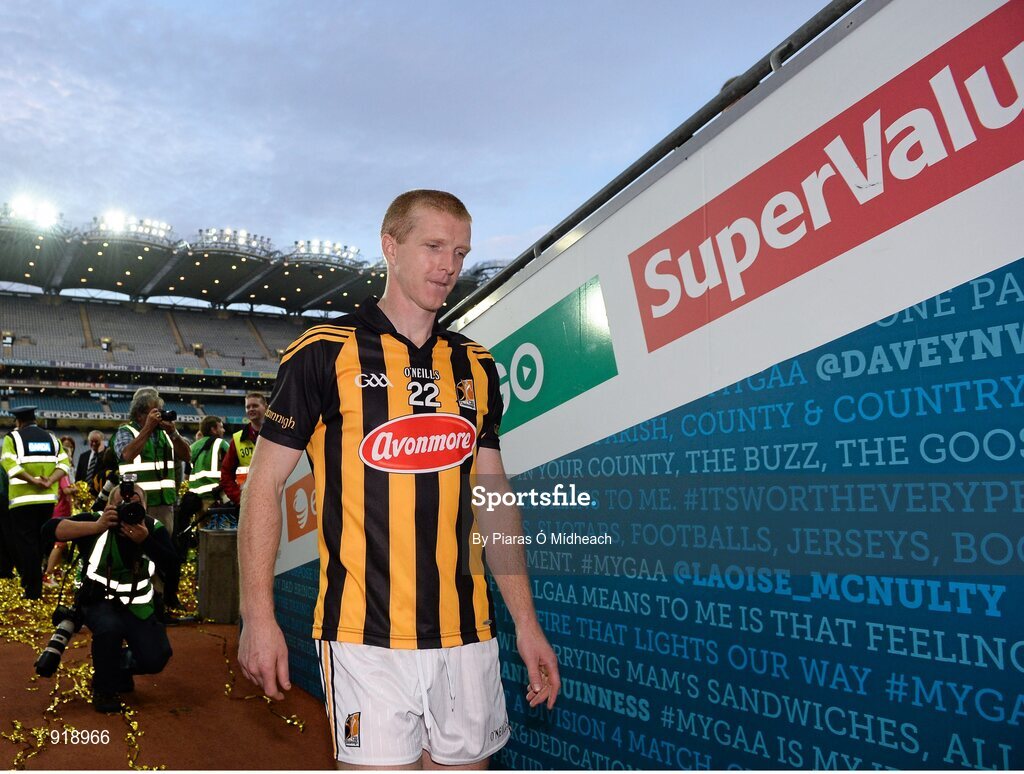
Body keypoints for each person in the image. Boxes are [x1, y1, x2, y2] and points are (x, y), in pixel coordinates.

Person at [238, 190, 560, 770]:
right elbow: (262, 489)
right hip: (365, 638)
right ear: (390, 246)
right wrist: (257, 616)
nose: (449, 267)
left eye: (460, 252)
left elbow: (493, 499)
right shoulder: (322, 353)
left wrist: (527, 623)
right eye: (434, 247)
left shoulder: (477, 366)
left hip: (469, 633)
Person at [43, 481, 176, 713]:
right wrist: (97, 526)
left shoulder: (152, 529)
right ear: (109, 506)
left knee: (156, 657)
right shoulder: (96, 521)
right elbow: (49, 529)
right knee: (109, 629)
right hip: (99, 600)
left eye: (135, 505)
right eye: (122, 505)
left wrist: (145, 541)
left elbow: (172, 564)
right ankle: (104, 690)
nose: (128, 511)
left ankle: (119, 666)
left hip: (138, 605)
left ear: (145, 506)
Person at [1, 406, 70, 599]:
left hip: (22, 501)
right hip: (47, 500)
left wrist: (33, 481)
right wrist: (49, 481)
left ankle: (32, 589)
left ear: (18, 422)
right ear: (34, 420)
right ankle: (34, 583)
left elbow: (10, 465)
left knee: (26, 545)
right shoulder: (52, 439)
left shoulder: (12, 439)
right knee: (40, 542)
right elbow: (64, 465)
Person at [113, 387, 191, 533]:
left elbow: (187, 456)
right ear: (140, 414)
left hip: (165, 504)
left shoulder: (166, 433)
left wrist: (174, 433)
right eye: (154, 412)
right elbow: (127, 455)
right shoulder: (126, 431)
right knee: (137, 550)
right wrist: (148, 428)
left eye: (160, 411)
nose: (159, 415)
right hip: (137, 502)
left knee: (161, 548)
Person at [219, 393, 266, 506]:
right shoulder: (237, 439)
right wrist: (238, 498)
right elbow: (225, 474)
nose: (251, 409)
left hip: (277, 498)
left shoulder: (278, 435)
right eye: (248, 407)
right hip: (248, 502)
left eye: (255, 406)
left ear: (266, 407)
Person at [76, 431, 106, 496]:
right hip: (84, 494)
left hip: (100, 494)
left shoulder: (107, 454)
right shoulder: (83, 456)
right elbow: (78, 477)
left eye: (96, 441)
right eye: (92, 441)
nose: (94, 444)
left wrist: (101, 453)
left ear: (102, 442)